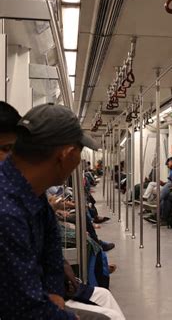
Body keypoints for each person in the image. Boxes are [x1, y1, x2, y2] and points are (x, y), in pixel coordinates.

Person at [0, 103, 99, 319]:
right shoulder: (6, 213)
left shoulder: (31, 190)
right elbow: (25, 309)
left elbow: (52, 249)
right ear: (67, 154)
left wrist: (56, 293)